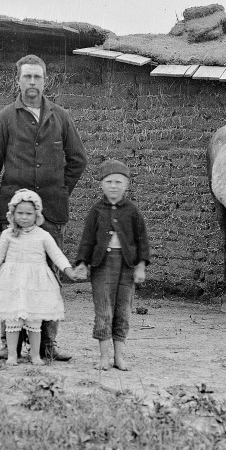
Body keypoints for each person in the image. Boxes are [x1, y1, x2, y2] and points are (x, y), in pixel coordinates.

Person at [0, 54, 88, 361]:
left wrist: (59, 190)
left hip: (51, 213)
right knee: (11, 277)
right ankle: (8, 342)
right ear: (18, 80)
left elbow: (78, 159)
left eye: (37, 77)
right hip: (14, 213)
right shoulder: (5, 118)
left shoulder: (61, 117)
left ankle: (48, 344)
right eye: (27, 77)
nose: (32, 83)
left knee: (50, 278)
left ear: (46, 80)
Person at [0, 190, 78, 365]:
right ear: (12, 214)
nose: (25, 217)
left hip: (36, 284)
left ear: (37, 215)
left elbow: (57, 255)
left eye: (29, 213)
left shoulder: (43, 235)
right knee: (13, 319)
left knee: (34, 319)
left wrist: (68, 270)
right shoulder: (7, 234)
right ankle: (12, 354)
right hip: (12, 283)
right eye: (20, 213)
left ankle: (35, 355)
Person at [74, 159, 150, 371]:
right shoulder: (96, 211)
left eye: (118, 182)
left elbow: (142, 241)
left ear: (126, 185)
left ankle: (119, 357)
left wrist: (141, 266)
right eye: (109, 181)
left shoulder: (132, 211)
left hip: (127, 267)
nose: (114, 186)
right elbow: (87, 240)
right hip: (102, 267)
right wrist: (82, 263)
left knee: (123, 311)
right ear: (101, 184)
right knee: (104, 311)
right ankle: (104, 357)